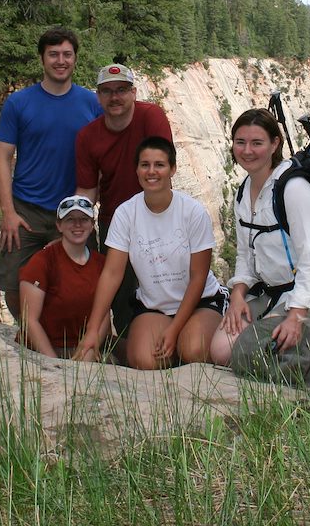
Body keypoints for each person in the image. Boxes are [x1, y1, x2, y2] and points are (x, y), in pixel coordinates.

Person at [210, 109, 310, 384]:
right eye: (240, 142)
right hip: (270, 293)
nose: (247, 151)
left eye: (257, 143)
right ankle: (305, 349)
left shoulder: (294, 189)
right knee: (222, 351)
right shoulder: (244, 191)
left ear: (275, 144)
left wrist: (296, 315)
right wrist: (238, 294)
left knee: (255, 356)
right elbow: (246, 253)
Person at [72, 136, 225, 370]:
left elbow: (198, 277)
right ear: (137, 170)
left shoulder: (192, 212)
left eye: (159, 165)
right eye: (145, 165)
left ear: (172, 169)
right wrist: (93, 332)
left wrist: (174, 330)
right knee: (146, 360)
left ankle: (191, 335)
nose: (151, 171)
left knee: (194, 349)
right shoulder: (126, 214)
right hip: (155, 306)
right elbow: (112, 274)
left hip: (199, 302)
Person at [0, 27, 101, 319]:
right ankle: (29, 337)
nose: (60, 60)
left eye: (67, 54)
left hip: (73, 210)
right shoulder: (19, 103)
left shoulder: (90, 103)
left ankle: (77, 341)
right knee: (15, 282)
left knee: (81, 282)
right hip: (25, 209)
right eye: (53, 54)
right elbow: (3, 158)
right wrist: (8, 212)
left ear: (75, 59)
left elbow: (101, 155)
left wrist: (89, 204)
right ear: (42, 58)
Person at [74, 62, 173, 336]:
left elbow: (160, 171)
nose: (114, 97)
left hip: (157, 218)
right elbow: (87, 190)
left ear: (134, 93)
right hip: (114, 224)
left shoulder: (151, 117)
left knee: (164, 287)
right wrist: (73, 219)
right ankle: (132, 350)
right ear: (98, 96)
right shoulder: (88, 137)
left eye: (121, 90)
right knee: (121, 298)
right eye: (107, 91)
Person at [17, 195, 110, 358]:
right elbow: (29, 320)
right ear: (59, 226)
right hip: (44, 349)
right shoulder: (42, 261)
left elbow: (104, 316)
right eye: (70, 219)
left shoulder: (101, 264)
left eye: (83, 219)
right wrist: (55, 365)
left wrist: (85, 358)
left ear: (92, 225)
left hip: (84, 347)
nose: (77, 225)